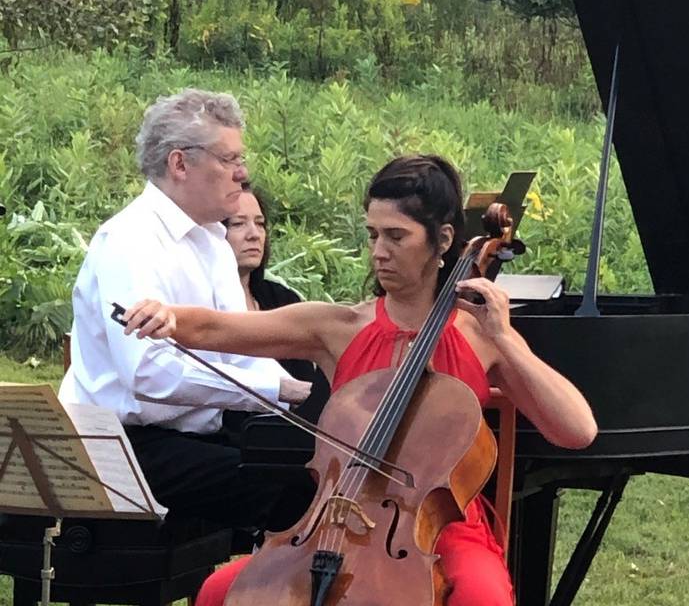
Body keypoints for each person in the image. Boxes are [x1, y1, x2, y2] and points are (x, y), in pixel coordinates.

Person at [122, 154, 598, 606]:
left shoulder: (479, 335)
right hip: (333, 520)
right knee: (221, 591)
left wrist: (505, 337)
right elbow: (215, 328)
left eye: (396, 236)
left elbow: (577, 430)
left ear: (445, 239)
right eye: (372, 235)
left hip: (441, 527)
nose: (379, 252)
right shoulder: (338, 328)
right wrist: (167, 315)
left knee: (482, 598)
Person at [58, 88, 313, 530]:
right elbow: (148, 374)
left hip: (192, 434)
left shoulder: (213, 240)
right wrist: (278, 393)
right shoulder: (130, 241)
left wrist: (306, 390)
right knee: (294, 487)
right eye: (229, 160)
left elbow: (238, 350)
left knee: (315, 462)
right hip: (121, 448)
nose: (242, 173)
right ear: (180, 164)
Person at [222, 187, 330, 424]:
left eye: (260, 224)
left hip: (284, 432)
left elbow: (306, 388)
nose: (254, 234)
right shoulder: (203, 301)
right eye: (238, 224)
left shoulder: (283, 300)